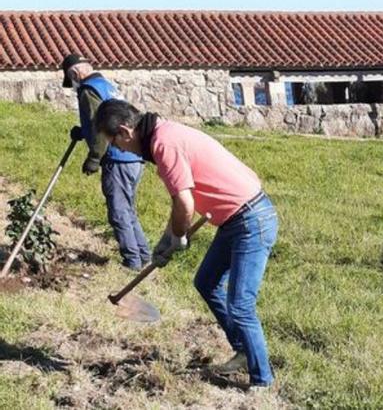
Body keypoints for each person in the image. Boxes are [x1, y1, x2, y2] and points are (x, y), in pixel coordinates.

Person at [94, 99, 279, 390]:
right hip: (234, 219)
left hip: (251, 219)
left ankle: (262, 381)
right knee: (206, 282)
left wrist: (179, 237)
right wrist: (166, 240)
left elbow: (185, 202)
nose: (118, 150)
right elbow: (179, 203)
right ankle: (244, 350)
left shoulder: (164, 144)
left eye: (114, 143)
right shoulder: (163, 134)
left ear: (126, 131)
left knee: (241, 304)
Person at [61, 53, 151, 270]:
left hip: (117, 157)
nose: (73, 85)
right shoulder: (106, 85)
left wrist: (94, 158)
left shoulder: (88, 90)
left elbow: (100, 127)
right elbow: (108, 120)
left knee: (119, 211)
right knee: (128, 209)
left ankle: (132, 263)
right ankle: (144, 256)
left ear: (75, 73)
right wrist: (82, 132)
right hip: (134, 156)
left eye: (71, 80)